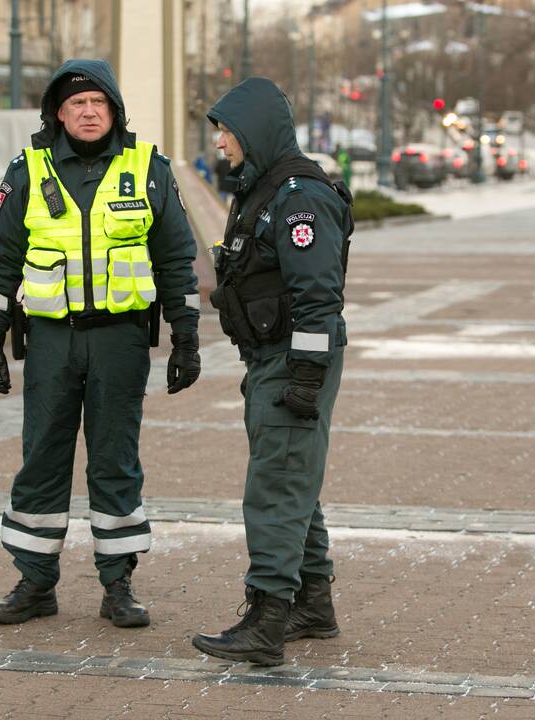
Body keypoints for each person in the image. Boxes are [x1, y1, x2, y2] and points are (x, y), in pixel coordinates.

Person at [0, 59, 202, 629]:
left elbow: (176, 258)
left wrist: (187, 337)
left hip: (121, 342)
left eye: (98, 102)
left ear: (116, 110)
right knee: (42, 458)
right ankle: (34, 582)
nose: (88, 111)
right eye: (76, 103)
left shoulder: (148, 168)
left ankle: (118, 584)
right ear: (57, 112)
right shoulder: (27, 169)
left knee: (115, 460)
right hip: (50, 341)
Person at [192, 77, 353, 666]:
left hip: (293, 357)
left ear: (255, 129)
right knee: (293, 481)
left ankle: (266, 620)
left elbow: (317, 295)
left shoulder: (297, 197)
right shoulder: (265, 188)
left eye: (227, 131)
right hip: (272, 356)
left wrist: (305, 376)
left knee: (276, 487)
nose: (221, 142)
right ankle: (313, 603)